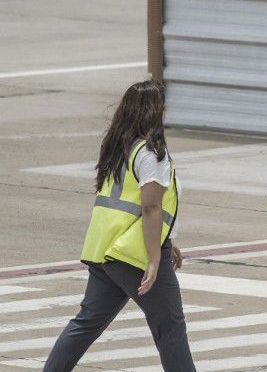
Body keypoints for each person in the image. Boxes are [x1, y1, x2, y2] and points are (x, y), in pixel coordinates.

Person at [43, 80, 196, 372]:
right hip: (133, 252)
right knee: (170, 327)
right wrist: (154, 258)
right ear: (155, 111)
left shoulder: (120, 149)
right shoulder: (152, 152)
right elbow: (151, 207)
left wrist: (169, 239)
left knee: (87, 323)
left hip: (105, 250)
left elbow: (130, 205)